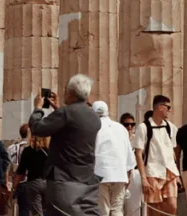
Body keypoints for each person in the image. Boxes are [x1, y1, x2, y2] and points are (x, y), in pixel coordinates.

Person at [28, 73, 102, 216]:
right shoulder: (94, 116)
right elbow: (73, 127)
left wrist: (38, 109)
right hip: (87, 179)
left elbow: (37, 128)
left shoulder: (65, 113)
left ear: (70, 92)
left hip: (63, 179)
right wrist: (59, 109)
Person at [132, 94, 178, 216]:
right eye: (168, 107)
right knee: (155, 209)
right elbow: (138, 153)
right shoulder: (143, 127)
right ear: (160, 107)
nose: (169, 110)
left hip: (169, 171)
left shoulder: (170, 127)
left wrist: (177, 172)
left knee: (172, 206)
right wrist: (144, 178)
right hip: (153, 171)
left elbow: (173, 151)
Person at [91, 101, 135, 216]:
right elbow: (129, 155)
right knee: (117, 209)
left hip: (100, 173)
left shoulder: (93, 128)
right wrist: (128, 175)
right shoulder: (121, 128)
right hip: (119, 174)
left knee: (102, 210)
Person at [9, 129, 47, 216]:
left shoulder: (28, 151)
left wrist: (14, 187)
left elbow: (21, 172)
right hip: (49, 183)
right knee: (48, 210)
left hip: (34, 183)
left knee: (37, 211)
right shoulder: (51, 151)